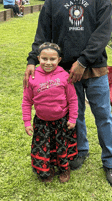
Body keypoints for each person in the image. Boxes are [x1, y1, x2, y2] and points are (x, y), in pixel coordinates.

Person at [23, 0, 112, 187]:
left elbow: (103, 33)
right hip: (65, 72)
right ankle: (81, 151)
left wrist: (83, 61)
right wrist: (32, 59)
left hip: (95, 68)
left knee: (103, 117)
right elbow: (43, 32)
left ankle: (110, 161)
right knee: (74, 116)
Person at [22, 42, 78, 183]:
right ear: (38, 58)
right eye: (44, 59)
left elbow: (72, 99)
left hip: (61, 121)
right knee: (44, 148)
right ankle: (47, 170)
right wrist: (27, 122)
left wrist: (72, 118)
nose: (48, 63)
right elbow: (27, 101)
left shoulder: (65, 76)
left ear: (59, 60)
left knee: (61, 147)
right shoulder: (33, 77)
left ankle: (64, 169)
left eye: (52, 59)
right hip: (41, 122)